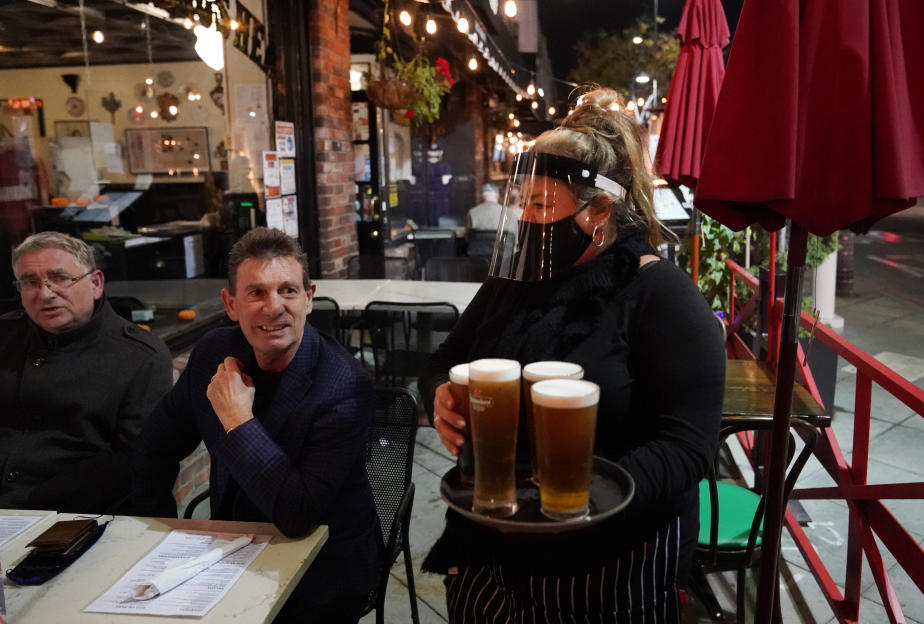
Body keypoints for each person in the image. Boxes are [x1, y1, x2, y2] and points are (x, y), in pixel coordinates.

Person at [419, 87, 726, 623]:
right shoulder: (513, 280)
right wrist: (440, 396)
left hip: (608, 572)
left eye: (541, 205)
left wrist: (587, 495)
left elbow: (687, 447)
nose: (527, 219)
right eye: (522, 202)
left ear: (598, 210)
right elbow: (445, 359)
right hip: (489, 553)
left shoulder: (662, 296)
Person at [132, 227, 379, 624]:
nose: (274, 307)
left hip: (323, 570)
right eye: (256, 293)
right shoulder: (214, 351)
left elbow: (297, 515)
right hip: (228, 554)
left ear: (309, 298)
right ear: (230, 304)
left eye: (288, 291)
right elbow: (154, 447)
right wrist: (163, 536)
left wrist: (236, 419)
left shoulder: (343, 386)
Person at [0, 231, 171, 513]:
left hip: (85, 516)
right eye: (30, 282)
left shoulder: (141, 357)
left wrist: (23, 506)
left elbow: (132, 463)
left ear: (95, 283)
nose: (45, 293)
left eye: (60, 278)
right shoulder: (5, 335)